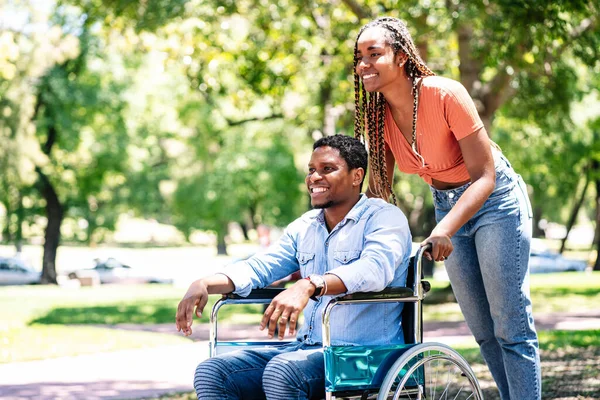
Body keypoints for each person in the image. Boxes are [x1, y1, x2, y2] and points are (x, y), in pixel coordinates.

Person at [352, 17, 541, 400]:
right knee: (483, 330)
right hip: (447, 205)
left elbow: (485, 176)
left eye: (375, 54)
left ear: (402, 57)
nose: (363, 65)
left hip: (495, 203)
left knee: (510, 324)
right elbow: (380, 192)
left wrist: (445, 229)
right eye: (359, 57)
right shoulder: (380, 117)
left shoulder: (445, 94)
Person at [176, 134, 412, 400]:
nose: (314, 178)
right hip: (307, 348)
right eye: (311, 170)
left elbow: (374, 269)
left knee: (283, 372)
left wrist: (309, 284)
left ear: (357, 176)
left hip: (364, 355)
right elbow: (261, 266)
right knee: (213, 371)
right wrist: (206, 282)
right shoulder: (306, 226)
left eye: (327, 169)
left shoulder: (385, 217)